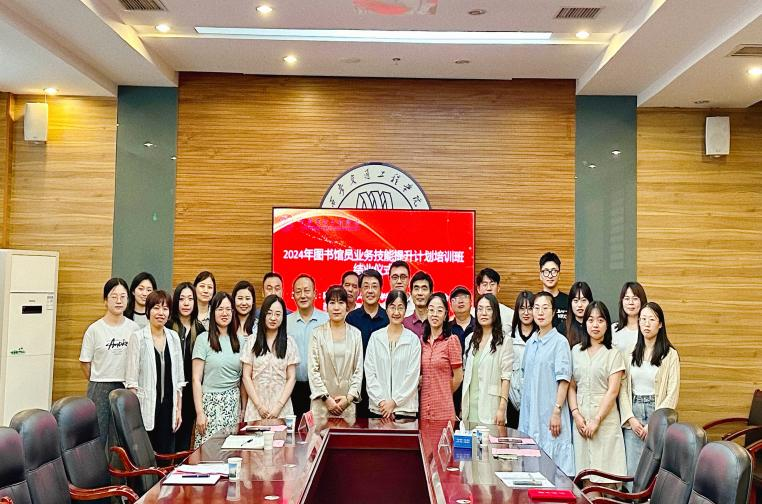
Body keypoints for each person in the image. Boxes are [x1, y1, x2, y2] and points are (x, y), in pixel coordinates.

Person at [567, 301, 626, 487]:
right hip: (581, 422)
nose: (595, 325)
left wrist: (597, 420)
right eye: (591, 320)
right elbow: (571, 386)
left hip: (605, 422)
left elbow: (613, 391)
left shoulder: (613, 353)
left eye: (600, 320)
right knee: (586, 481)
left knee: (607, 479)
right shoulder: (575, 351)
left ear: (607, 324)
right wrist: (576, 414)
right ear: (585, 323)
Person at [619, 302, 680, 475]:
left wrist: (655, 422)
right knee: (632, 470)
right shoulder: (630, 352)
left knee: (655, 471)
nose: (646, 324)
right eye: (643, 319)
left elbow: (672, 392)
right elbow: (622, 389)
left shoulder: (670, 355)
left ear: (660, 324)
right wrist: (630, 418)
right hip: (634, 413)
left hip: (657, 411)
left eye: (652, 319)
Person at [79, 278, 139, 450]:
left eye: (123, 296)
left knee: (121, 438)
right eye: (114, 296)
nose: (119, 301)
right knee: (98, 436)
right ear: (105, 300)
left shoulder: (134, 329)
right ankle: (97, 468)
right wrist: (98, 378)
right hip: (100, 386)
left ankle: (119, 469)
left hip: (125, 387)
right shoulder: (94, 330)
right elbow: (85, 362)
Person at [519, 291, 575, 476]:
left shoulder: (560, 342)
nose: (540, 312)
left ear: (554, 312)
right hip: (530, 416)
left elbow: (564, 380)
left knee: (553, 472)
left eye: (545, 308)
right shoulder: (531, 343)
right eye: (536, 308)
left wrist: (557, 411)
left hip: (551, 415)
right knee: (530, 471)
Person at [125, 290, 184, 454]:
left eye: (165, 309)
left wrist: (178, 410)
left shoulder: (174, 338)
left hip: (169, 408)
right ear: (148, 311)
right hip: (145, 408)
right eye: (156, 308)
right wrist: (134, 417)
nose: (161, 313)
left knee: (167, 456)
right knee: (145, 458)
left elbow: (179, 381)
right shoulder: (138, 338)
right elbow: (131, 382)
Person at [191, 292, 246, 447]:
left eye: (228, 309)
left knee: (232, 452)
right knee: (208, 452)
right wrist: (200, 413)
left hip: (233, 403)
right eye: (220, 309)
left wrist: (243, 409)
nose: (224, 313)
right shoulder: (203, 339)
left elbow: (243, 379)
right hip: (210, 404)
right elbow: (196, 379)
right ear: (212, 312)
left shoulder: (241, 341)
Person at [308, 286, 363, 419]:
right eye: (332, 303)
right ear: (326, 307)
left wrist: (348, 399)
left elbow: (358, 371)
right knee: (319, 433)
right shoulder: (317, 334)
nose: (336, 308)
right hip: (321, 405)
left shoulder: (356, 334)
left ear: (347, 306)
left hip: (347, 405)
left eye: (341, 302)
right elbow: (313, 370)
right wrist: (326, 398)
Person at [241, 295, 299, 421]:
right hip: (255, 409)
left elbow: (291, 378)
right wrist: (259, 406)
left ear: (283, 317)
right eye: (269, 313)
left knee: (282, 434)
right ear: (263, 315)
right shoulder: (252, 341)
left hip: (282, 409)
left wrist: (278, 406)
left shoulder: (289, 343)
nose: (273, 318)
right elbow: (246, 376)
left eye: (278, 314)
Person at [365, 290, 421, 419]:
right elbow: (370, 372)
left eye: (400, 307)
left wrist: (394, 402)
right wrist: (381, 401)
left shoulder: (413, 340)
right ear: (386, 309)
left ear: (406, 311)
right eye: (392, 307)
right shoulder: (375, 338)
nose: (396, 312)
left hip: (405, 410)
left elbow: (412, 376)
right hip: (379, 409)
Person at [461, 294, 513, 426]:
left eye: (488, 309)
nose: (483, 313)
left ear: (495, 312)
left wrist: (502, 408)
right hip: (470, 407)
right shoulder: (470, 339)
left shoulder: (504, 341)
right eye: (480, 309)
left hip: (491, 407)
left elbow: (506, 378)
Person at [168, 281, 206, 451]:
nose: (186, 303)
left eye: (190, 299)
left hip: (191, 393)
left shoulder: (201, 329)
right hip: (170, 392)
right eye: (182, 299)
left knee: (184, 441)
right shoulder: (168, 326)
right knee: (168, 439)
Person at [346, 269, 390, 417]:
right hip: (356, 386)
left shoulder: (388, 318)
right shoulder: (351, 319)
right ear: (360, 290)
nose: (370, 291)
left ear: (381, 290)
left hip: (382, 388)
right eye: (366, 286)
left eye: (374, 286)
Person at [286, 274, 328, 421]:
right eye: (298, 291)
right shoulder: (286, 322)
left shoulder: (327, 320)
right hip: (292, 388)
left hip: (320, 389)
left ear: (315, 293)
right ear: (293, 295)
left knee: (319, 429)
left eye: (307, 290)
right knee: (294, 430)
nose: (303, 295)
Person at [419, 292, 463, 421]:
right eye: (431, 310)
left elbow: (459, 377)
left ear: (445, 315)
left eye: (439, 310)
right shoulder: (422, 342)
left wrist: (443, 393)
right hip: (425, 408)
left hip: (443, 408)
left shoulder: (451, 340)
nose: (435, 314)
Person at [507, 291, 537, 428]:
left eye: (530, 308)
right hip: (512, 403)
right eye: (522, 308)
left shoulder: (541, 338)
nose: (526, 313)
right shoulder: (508, 339)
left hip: (536, 403)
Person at [449, 285, 474, 417]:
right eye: (456, 298)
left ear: (471, 301)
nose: (460, 301)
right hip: (453, 385)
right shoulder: (446, 329)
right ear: (450, 304)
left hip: (474, 384)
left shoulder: (480, 327)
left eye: (464, 297)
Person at [475, 268, 514, 338]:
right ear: (478, 289)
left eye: (492, 284)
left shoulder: (510, 314)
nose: (489, 288)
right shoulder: (472, 314)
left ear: (498, 288)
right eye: (485, 284)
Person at [612, 282, 648, 354]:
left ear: (642, 301)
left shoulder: (647, 329)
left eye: (635, 298)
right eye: (627, 298)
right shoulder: (613, 329)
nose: (631, 302)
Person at [539, 252, 569, 328]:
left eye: (554, 271)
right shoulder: (535, 301)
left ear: (559, 275)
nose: (550, 276)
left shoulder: (569, 301)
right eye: (546, 271)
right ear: (540, 275)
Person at [560, 282, 594, 347]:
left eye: (583, 300)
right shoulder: (562, 328)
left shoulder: (595, 327)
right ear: (570, 303)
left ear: (590, 302)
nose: (579, 305)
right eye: (575, 301)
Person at [403, 270, 433, 338]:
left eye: (424, 289)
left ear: (431, 293)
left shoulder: (437, 322)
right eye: (416, 289)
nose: (420, 293)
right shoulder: (404, 324)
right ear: (411, 293)